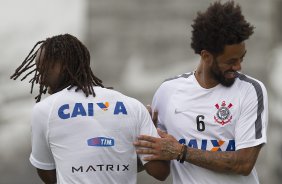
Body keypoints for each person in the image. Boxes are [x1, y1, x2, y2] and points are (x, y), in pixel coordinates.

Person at [134, 1, 268, 184]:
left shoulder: (251, 90)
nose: (238, 67)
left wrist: (182, 152)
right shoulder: (168, 92)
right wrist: (146, 141)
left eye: (241, 58)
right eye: (231, 61)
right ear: (206, 56)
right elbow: (160, 172)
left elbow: (243, 164)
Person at [10, 34, 169, 184]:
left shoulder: (44, 110)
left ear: (62, 66)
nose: (40, 79)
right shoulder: (133, 106)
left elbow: (49, 176)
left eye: (43, 69)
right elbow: (159, 172)